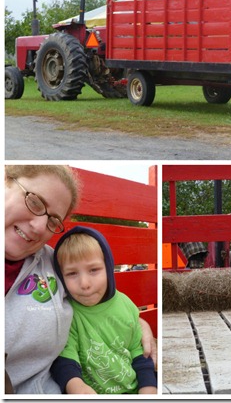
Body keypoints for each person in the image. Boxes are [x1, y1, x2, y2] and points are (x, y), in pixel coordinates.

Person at [5, 165, 157, 394]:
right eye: (34, 202)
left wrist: (137, 324)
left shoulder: (53, 263)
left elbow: (102, 306)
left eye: (53, 221)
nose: (38, 227)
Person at [50, 226, 157, 394]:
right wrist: (77, 387)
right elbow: (65, 361)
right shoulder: (67, 313)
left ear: (108, 268)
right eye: (71, 273)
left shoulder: (125, 305)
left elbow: (139, 354)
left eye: (94, 270)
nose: (84, 283)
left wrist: (148, 389)